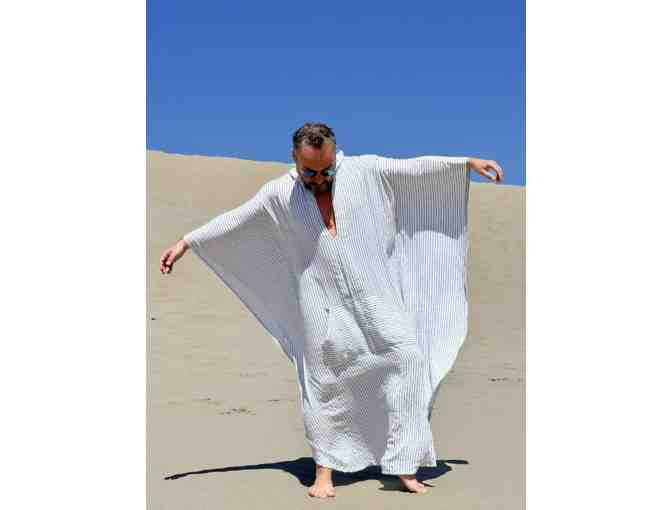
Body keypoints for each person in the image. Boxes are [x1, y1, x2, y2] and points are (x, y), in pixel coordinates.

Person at [159, 122, 503, 498]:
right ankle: (324, 472)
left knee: (408, 360)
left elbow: (413, 168)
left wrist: (465, 163)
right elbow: (238, 218)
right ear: (294, 159)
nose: (320, 179)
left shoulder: (364, 170)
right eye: (310, 172)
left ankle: (405, 465)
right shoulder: (279, 193)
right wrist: (186, 242)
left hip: (374, 294)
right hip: (320, 303)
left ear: (336, 156)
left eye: (327, 170)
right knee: (324, 382)